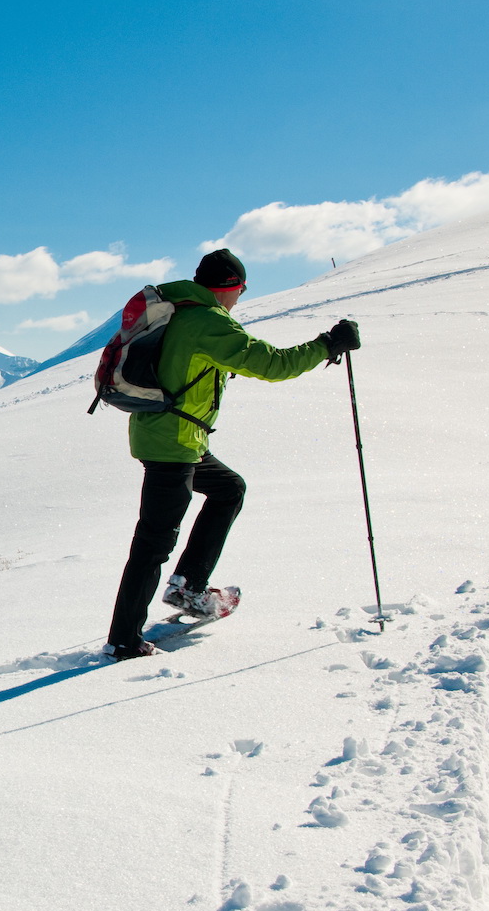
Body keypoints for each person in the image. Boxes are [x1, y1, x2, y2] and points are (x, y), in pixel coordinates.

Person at [105, 248, 361, 660]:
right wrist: (327, 344)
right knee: (152, 543)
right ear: (229, 287)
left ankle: (189, 584)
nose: (241, 297)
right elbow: (273, 365)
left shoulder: (180, 311)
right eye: (241, 289)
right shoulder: (207, 322)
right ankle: (124, 641)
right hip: (172, 446)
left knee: (229, 489)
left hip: (173, 438)